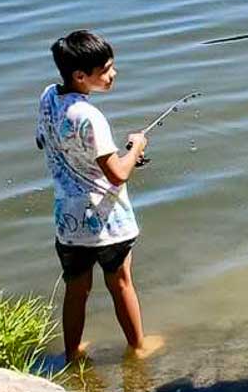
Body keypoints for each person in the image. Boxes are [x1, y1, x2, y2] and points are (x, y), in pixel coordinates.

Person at [36, 30, 163, 362]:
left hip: (68, 221)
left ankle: (72, 351)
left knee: (76, 288)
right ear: (81, 76)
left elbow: (42, 141)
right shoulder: (90, 117)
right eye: (105, 70)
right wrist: (136, 147)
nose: (113, 74)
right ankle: (138, 345)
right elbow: (118, 174)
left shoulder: (49, 96)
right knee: (120, 282)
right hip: (107, 222)